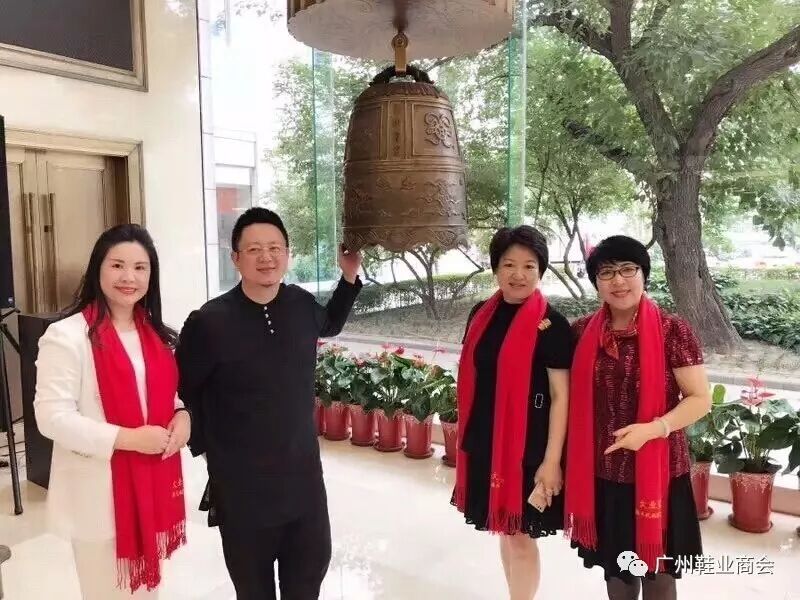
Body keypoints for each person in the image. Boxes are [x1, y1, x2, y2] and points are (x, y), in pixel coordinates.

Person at [176, 207, 362, 600]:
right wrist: (212, 454)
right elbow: (185, 392)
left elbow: (329, 323)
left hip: (303, 479)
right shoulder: (209, 322)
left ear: (288, 254)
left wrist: (349, 276)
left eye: (275, 248)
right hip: (242, 487)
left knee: (307, 580)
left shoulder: (300, 304)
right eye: (255, 249)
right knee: (253, 590)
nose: (266, 257)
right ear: (235, 258)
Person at [34, 224, 189, 599]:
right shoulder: (67, 335)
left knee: (146, 593)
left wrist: (183, 414)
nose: (129, 277)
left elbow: (165, 395)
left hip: (151, 487)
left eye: (140, 267)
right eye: (117, 265)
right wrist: (128, 439)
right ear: (98, 269)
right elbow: (51, 417)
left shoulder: (156, 334)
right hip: (98, 494)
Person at [564, 235, 711, 600]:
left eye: (628, 269)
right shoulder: (581, 332)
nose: (618, 280)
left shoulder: (672, 330)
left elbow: (700, 399)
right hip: (604, 474)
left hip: (660, 474)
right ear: (596, 282)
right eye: (606, 272)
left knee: (659, 575)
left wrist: (654, 429)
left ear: (644, 274)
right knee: (619, 574)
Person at [452, 225, 572, 600]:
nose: (518, 274)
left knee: (520, 536)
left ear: (541, 271)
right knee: (505, 530)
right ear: (495, 268)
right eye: (509, 264)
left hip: (527, 449)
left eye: (529, 266)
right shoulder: (481, 314)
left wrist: (551, 461)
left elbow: (561, 397)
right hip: (486, 439)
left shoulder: (551, 324)